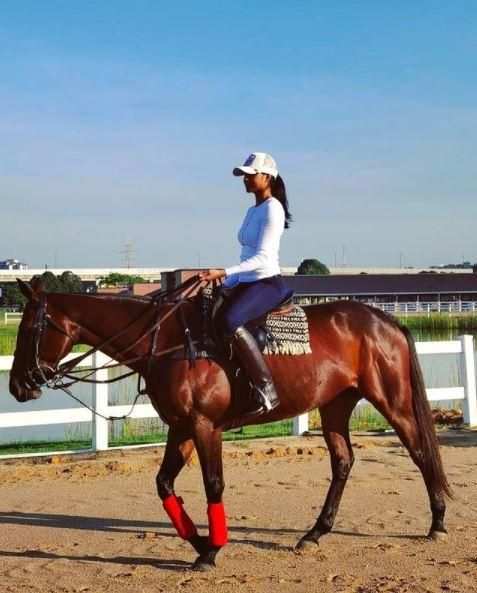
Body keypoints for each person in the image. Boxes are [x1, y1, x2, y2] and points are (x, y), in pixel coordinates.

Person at [199, 152, 292, 417]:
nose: (246, 180)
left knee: (229, 320)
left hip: (266, 283)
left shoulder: (273, 208)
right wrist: (225, 281)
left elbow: (262, 258)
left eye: (250, 175)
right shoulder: (253, 210)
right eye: (244, 176)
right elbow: (246, 257)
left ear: (267, 177)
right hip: (246, 280)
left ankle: (266, 387)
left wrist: (224, 271)